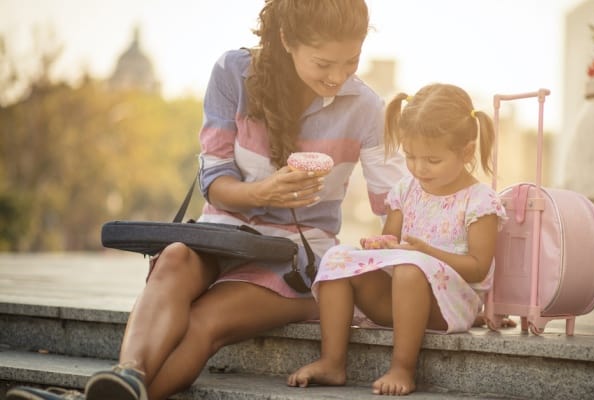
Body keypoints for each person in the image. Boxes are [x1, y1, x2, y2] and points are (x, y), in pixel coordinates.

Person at [6, 1, 406, 399]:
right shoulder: (234, 73)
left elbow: (395, 201)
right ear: (286, 39)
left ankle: (83, 399)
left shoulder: (366, 107)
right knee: (175, 257)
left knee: (203, 320)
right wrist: (261, 193)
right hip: (223, 234)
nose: (338, 76)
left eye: (350, 61)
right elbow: (214, 180)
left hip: (296, 260)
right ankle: (127, 375)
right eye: (323, 64)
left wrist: (411, 258)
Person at [287, 83, 508, 396]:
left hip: (447, 307)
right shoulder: (406, 190)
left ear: (467, 151)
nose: (419, 168)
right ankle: (332, 362)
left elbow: (478, 269)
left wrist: (425, 253)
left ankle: (403, 367)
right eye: (411, 157)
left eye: (432, 160)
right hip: (400, 295)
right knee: (338, 259)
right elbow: (390, 242)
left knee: (409, 267)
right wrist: (380, 246)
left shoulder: (479, 201)